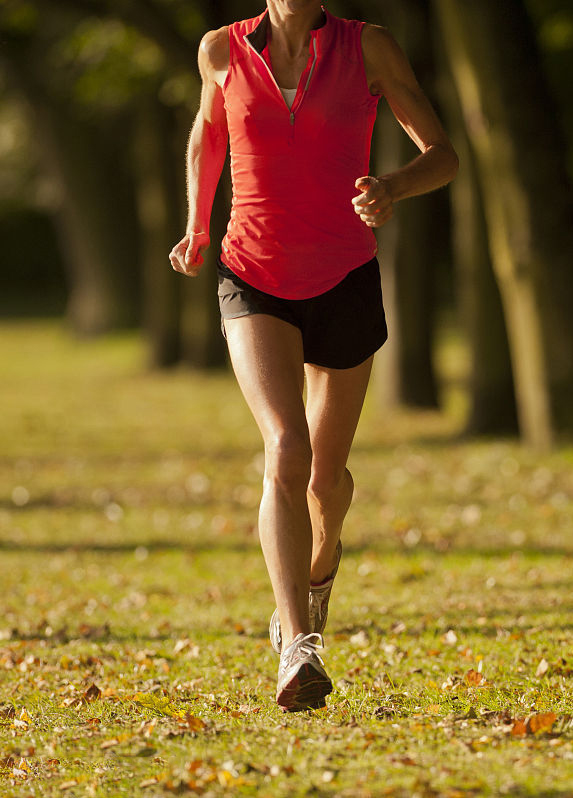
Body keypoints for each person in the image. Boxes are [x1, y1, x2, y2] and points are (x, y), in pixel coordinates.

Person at [168, 0, 457, 712]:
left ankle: (319, 573)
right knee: (286, 449)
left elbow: (443, 156)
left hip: (345, 277)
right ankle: (297, 645)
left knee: (327, 481)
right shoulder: (221, 51)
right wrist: (195, 226)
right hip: (252, 273)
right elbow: (208, 134)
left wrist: (391, 188)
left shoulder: (371, 49)